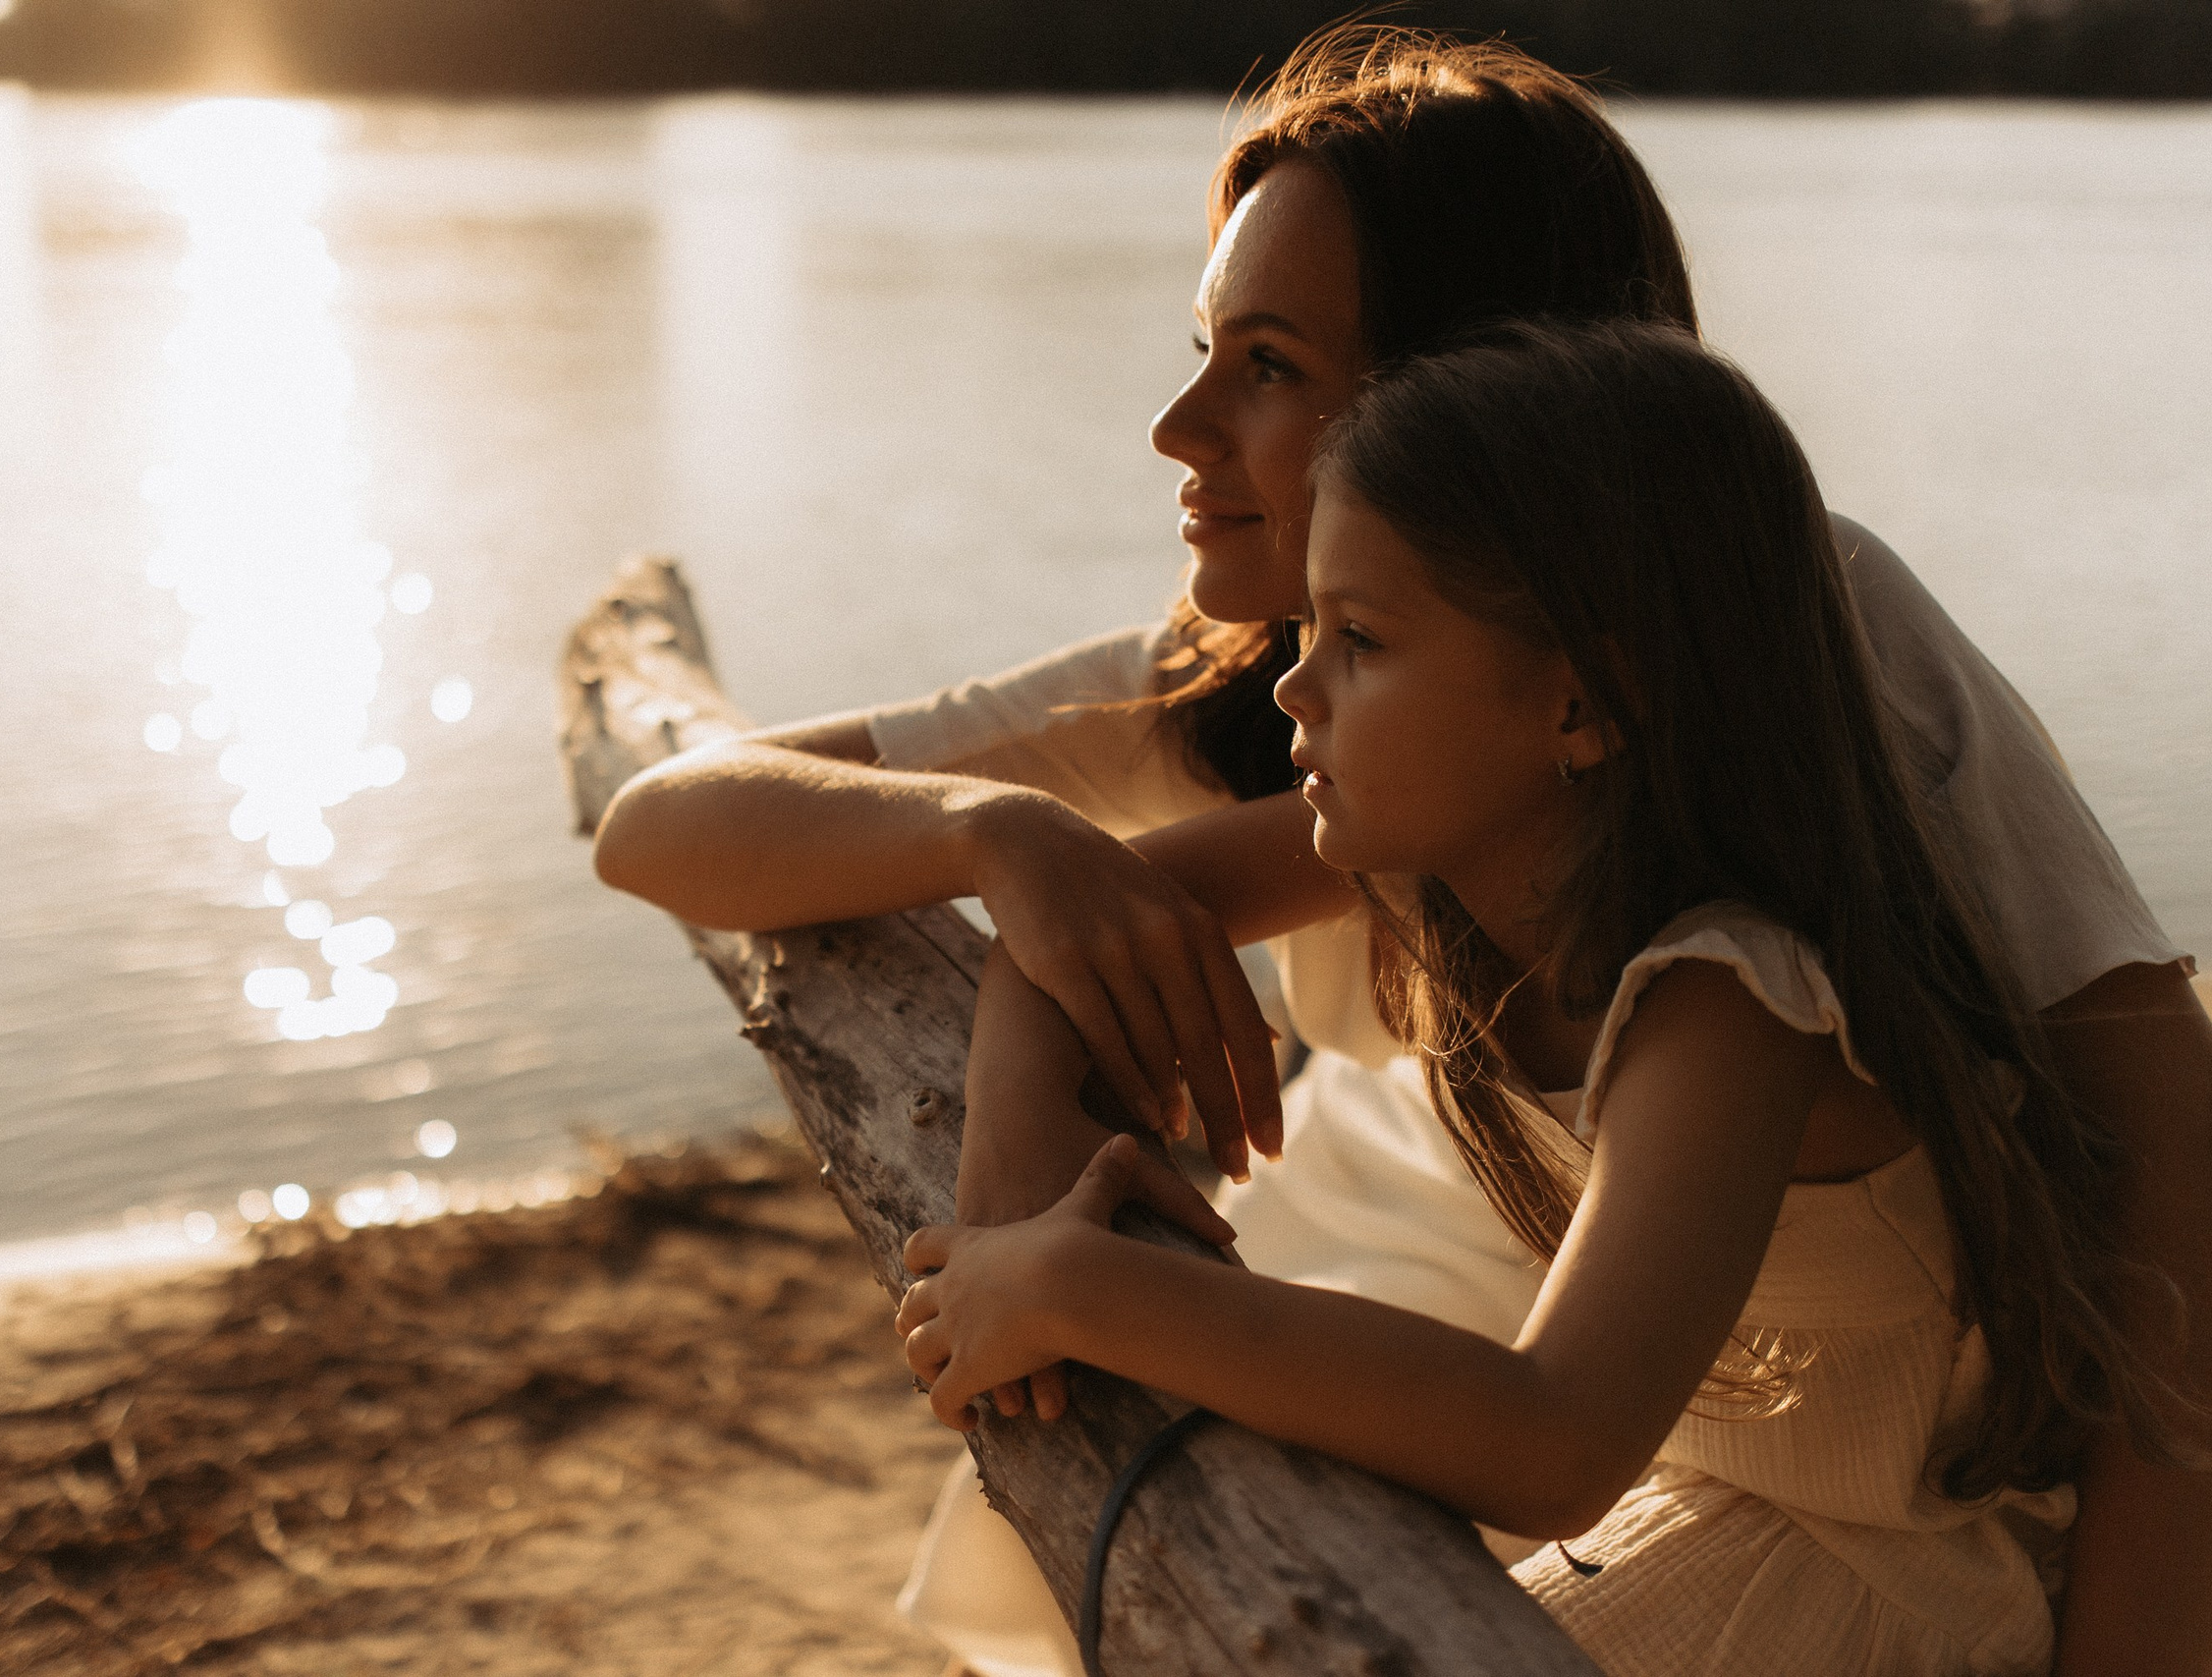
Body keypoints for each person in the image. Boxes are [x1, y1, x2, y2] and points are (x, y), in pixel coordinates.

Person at [589, 27, 2211, 1674]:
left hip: (1758, 1372)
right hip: (1592, 1292)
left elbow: (2164, 1145)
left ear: (1491, 399)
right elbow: (662, 822)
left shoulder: (1795, 661)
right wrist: (1000, 854)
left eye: (1273, 364)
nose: (1175, 424)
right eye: (1207, 346)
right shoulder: (1300, 695)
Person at [891, 314, 2199, 1674]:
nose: (1293, 684)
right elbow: (1089, 917)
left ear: (1584, 707)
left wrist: (1085, 1291)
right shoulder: (1455, 869)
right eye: (1311, 628)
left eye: (1363, 641)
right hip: (1729, 1513)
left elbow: (1551, 1438)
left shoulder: (1732, 1004)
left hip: (1880, 1591)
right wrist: (1031, 1165)